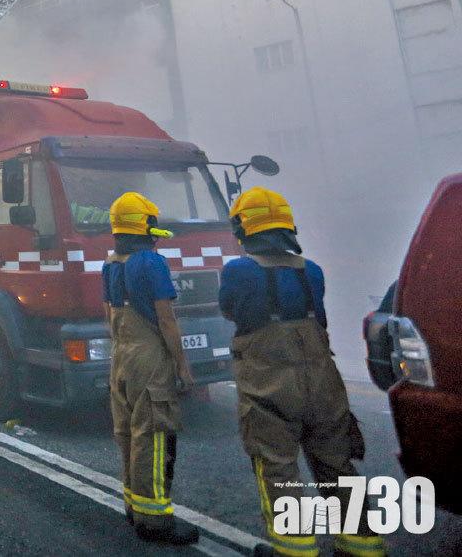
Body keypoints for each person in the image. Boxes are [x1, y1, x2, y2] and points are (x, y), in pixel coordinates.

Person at [219, 187, 386, 557]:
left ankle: (294, 548)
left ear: (244, 229)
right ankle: (363, 543)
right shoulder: (312, 271)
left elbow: (232, 312)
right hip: (322, 382)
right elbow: (319, 321)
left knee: (277, 465)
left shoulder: (237, 271)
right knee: (335, 461)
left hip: (269, 381)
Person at [102, 192, 200, 545]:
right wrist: (182, 366)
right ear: (145, 230)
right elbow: (166, 319)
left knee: (127, 433)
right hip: (149, 358)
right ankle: (155, 521)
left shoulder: (111, 264)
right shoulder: (151, 263)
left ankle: (134, 506)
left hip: (121, 357)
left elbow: (109, 316)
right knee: (155, 435)